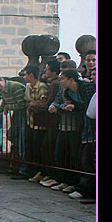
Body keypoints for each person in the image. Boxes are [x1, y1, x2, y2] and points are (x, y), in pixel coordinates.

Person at [59, 69, 96, 200]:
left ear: (71, 79)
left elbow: (87, 106)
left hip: (91, 127)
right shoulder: (68, 92)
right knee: (85, 157)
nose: (61, 82)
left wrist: (75, 107)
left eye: (63, 79)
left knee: (88, 158)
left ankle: (86, 189)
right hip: (85, 126)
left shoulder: (87, 88)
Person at [45, 59, 81, 191]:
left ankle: (72, 182)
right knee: (60, 153)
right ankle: (63, 180)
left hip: (74, 125)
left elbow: (76, 106)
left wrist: (59, 107)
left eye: (64, 76)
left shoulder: (80, 87)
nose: (61, 79)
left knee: (73, 155)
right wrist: (54, 105)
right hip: (63, 124)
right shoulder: (62, 87)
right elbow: (58, 100)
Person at [0, 74, 27, 178]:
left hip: (23, 115)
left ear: (3, 80)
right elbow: (4, 103)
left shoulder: (15, 87)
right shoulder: (3, 90)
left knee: (22, 141)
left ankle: (23, 169)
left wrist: (7, 107)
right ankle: (18, 163)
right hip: (16, 115)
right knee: (12, 136)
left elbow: (21, 104)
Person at [21, 65, 49, 183]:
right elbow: (27, 102)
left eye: (26, 74)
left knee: (39, 149)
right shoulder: (30, 87)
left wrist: (32, 104)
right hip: (31, 122)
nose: (24, 77)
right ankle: (31, 170)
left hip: (40, 124)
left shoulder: (41, 87)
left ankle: (40, 172)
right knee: (30, 147)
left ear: (31, 75)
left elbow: (43, 102)